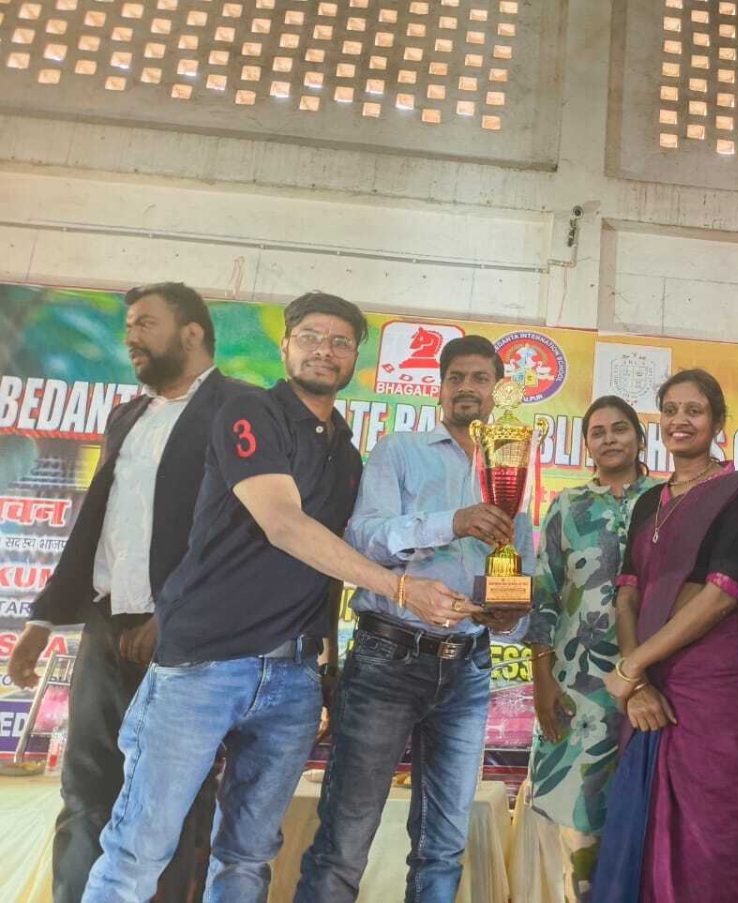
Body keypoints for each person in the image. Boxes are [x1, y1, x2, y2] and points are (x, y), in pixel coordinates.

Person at [81, 292, 466, 902]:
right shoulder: (250, 411)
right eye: (310, 336)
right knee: (138, 849)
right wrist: (400, 588)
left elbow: (328, 567)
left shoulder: (346, 451)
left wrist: (327, 668)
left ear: (355, 359)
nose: (324, 350)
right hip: (204, 665)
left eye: (340, 342)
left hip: (292, 678)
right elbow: (283, 524)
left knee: (249, 857)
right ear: (285, 346)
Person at [6, 282, 234, 903]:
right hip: (106, 628)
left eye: (145, 324)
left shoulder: (238, 408)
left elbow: (235, 532)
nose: (130, 335)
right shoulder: (127, 416)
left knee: (174, 799)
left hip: (186, 638)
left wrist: (172, 615)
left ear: (191, 333)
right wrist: (42, 622)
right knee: (86, 790)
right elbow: (95, 524)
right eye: (128, 324)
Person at [296, 335, 533, 903]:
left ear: (498, 390)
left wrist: (508, 619)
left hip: (469, 666)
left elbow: (520, 573)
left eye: (480, 378)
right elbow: (363, 538)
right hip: (388, 658)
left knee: (444, 845)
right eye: (457, 378)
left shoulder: (514, 460)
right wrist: (452, 522)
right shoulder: (399, 450)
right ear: (440, 388)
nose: (467, 388)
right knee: (346, 838)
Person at [591, 369, 738, 903]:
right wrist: (638, 681)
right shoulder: (649, 501)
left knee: (714, 826)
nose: (680, 421)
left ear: (718, 422)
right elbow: (627, 594)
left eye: (694, 411)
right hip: (648, 678)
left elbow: (722, 593)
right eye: (670, 410)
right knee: (644, 820)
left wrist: (632, 668)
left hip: (711, 679)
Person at [526, 395, 659, 903]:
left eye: (619, 428)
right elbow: (544, 593)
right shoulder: (568, 506)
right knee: (581, 818)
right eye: (597, 432)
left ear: (640, 438)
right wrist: (542, 677)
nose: (609, 439)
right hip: (578, 683)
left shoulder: (667, 499)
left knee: (649, 806)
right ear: (586, 445)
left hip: (655, 675)